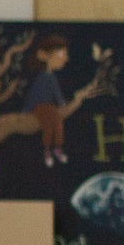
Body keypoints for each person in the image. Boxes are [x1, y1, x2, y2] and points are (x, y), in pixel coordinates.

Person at [21, 31, 73, 166]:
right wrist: (27, 110)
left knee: (58, 123)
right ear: (45, 55)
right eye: (62, 54)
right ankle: (47, 150)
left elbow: (57, 94)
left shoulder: (52, 78)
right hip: (41, 107)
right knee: (49, 125)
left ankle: (57, 148)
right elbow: (32, 95)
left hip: (50, 107)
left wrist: (61, 103)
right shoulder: (41, 78)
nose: (65, 59)